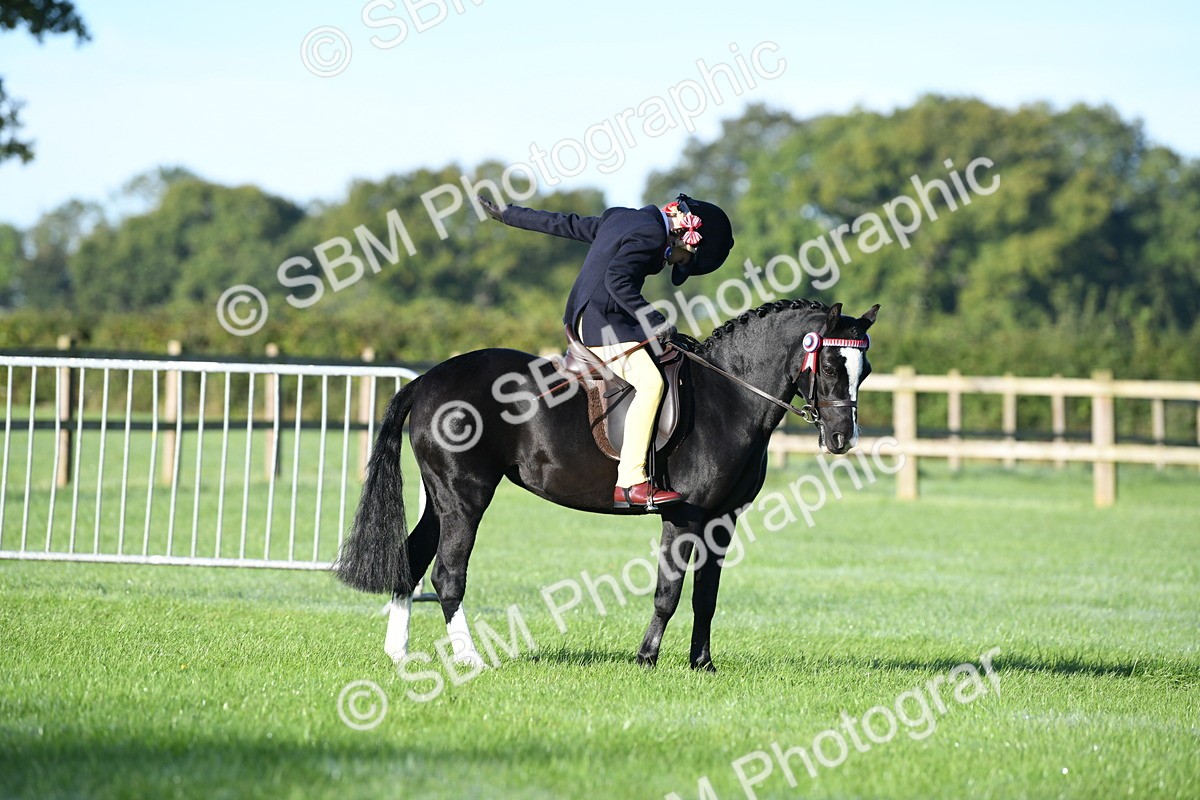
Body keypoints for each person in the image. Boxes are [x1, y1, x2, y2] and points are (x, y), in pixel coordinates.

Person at [479, 192, 734, 510]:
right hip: (603, 323)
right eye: (683, 261)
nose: (672, 262)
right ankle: (631, 482)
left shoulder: (624, 217)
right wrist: (654, 321)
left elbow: (565, 224)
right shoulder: (652, 235)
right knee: (652, 383)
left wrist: (510, 215)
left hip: (586, 316)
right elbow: (617, 282)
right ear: (690, 238)